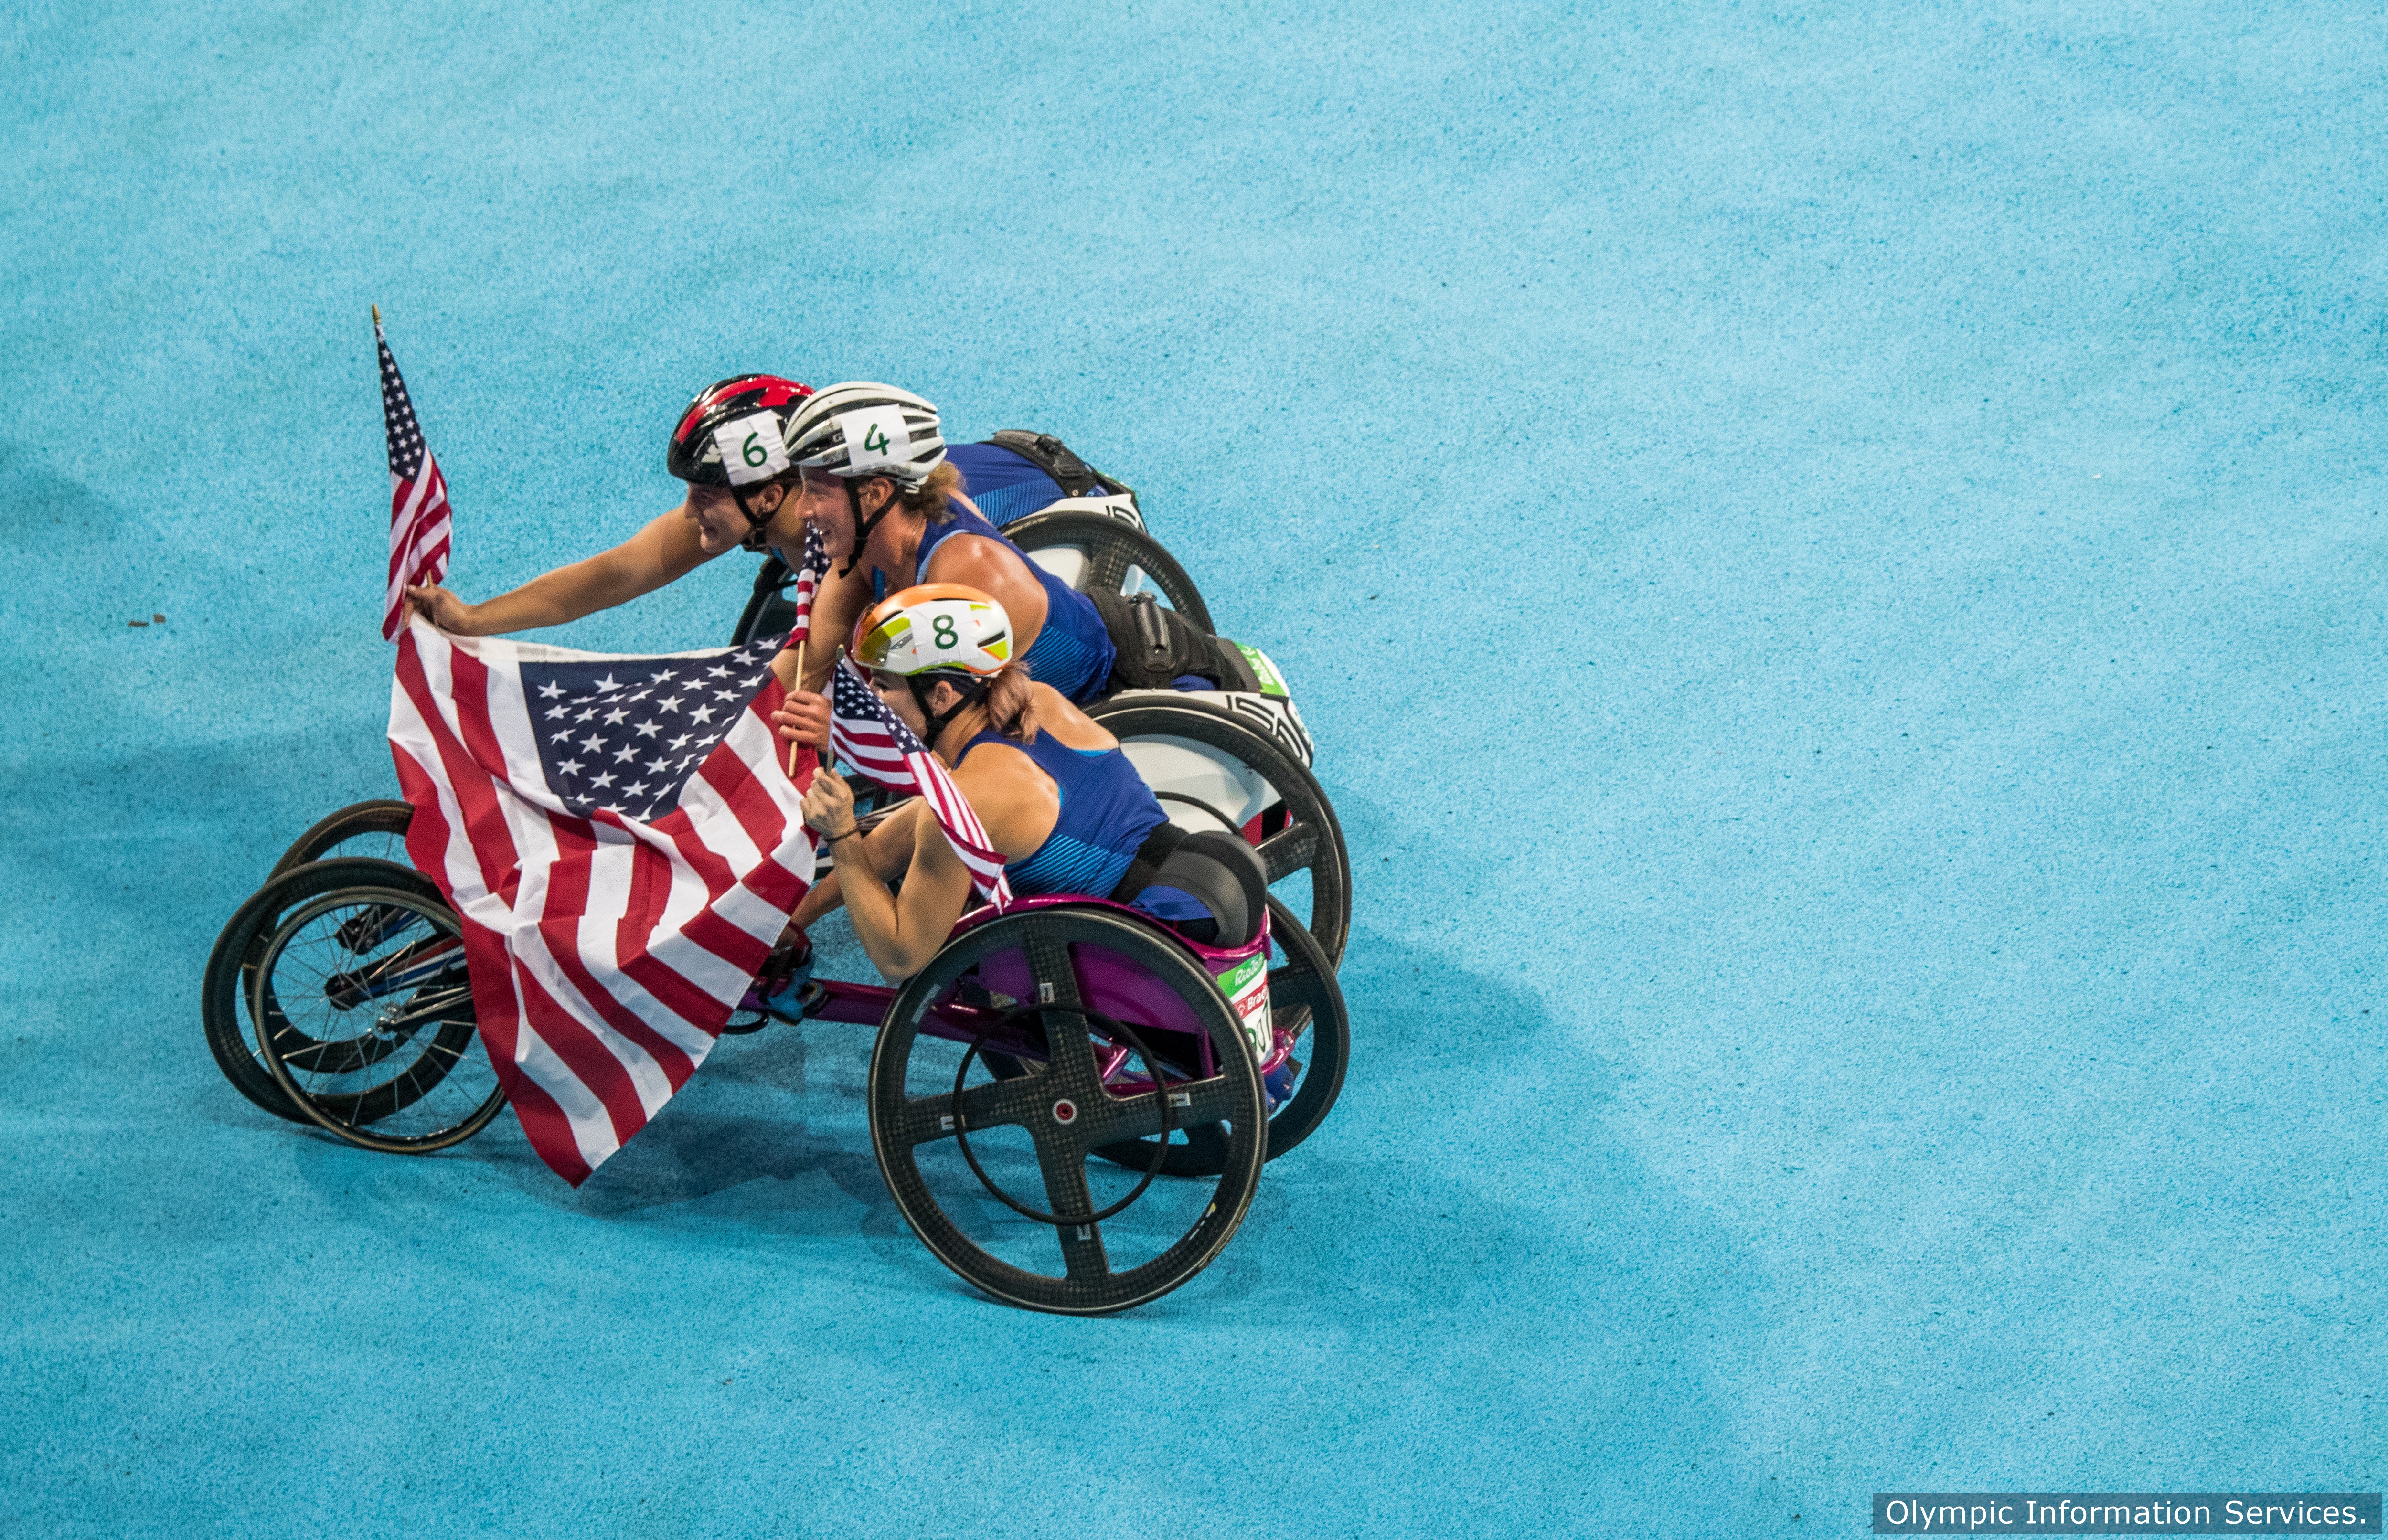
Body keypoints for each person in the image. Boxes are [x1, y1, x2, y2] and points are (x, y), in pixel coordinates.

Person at [759, 585, 1262, 991]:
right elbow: (912, 824)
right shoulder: (1040, 702)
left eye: (884, 685)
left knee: (963, 958)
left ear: (940, 695)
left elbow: (899, 957)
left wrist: (843, 837)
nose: (871, 699)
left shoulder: (968, 802)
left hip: (1147, 945)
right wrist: (801, 913)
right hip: (1214, 872)